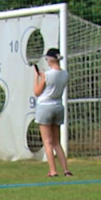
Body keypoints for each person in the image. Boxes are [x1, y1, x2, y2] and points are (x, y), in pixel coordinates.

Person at [32, 48, 72, 178]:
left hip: (45, 106)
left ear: (50, 59)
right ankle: (66, 170)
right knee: (56, 142)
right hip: (58, 106)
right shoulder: (65, 74)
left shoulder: (47, 75)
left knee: (47, 142)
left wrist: (37, 77)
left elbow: (37, 92)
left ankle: (53, 170)